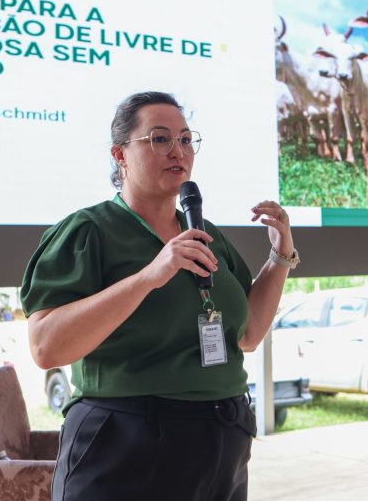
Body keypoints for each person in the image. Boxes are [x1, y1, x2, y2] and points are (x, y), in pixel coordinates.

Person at [21, 91, 299, 501]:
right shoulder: (88, 231)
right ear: (120, 155)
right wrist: (150, 275)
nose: (178, 151)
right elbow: (46, 347)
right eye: (160, 139)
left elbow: (248, 335)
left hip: (220, 438)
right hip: (127, 441)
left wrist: (279, 255)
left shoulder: (205, 234)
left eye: (186, 140)